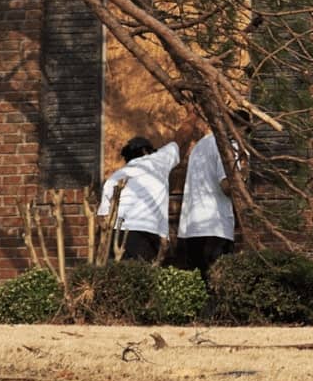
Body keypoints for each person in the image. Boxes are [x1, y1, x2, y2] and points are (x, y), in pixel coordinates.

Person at [99, 119, 202, 261]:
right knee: (143, 279)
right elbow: (181, 138)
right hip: (144, 233)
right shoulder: (156, 161)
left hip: (116, 236)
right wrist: (194, 114)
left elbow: (103, 218)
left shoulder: (115, 177)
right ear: (145, 151)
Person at [177, 127, 237, 278]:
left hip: (192, 227)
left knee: (199, 284)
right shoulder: (227, 145)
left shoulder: (199, 146)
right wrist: (244, 168)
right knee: (219, 284)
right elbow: (226, 186)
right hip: (216, 225)